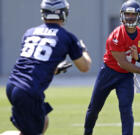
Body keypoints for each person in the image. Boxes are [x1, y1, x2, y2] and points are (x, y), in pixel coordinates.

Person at [6, 0, 92, 135]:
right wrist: (83, 49)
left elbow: (33, 63)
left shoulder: (30, 32)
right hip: (28, 91)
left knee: (43, 121)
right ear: (64, 13)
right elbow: (85, 67)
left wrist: (54, 68)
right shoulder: (66, 37)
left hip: (13, 85)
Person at [83, 1, 140, 135]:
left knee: (126, 109)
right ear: (122, 15)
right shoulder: (116, 36)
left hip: (126, 76)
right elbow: (122, 63)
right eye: (127, 14)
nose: (129, 17)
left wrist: (138, 57)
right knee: (94, 107)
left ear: (138, 16)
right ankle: (87, 132)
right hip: (108, 72)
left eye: (133, 14)